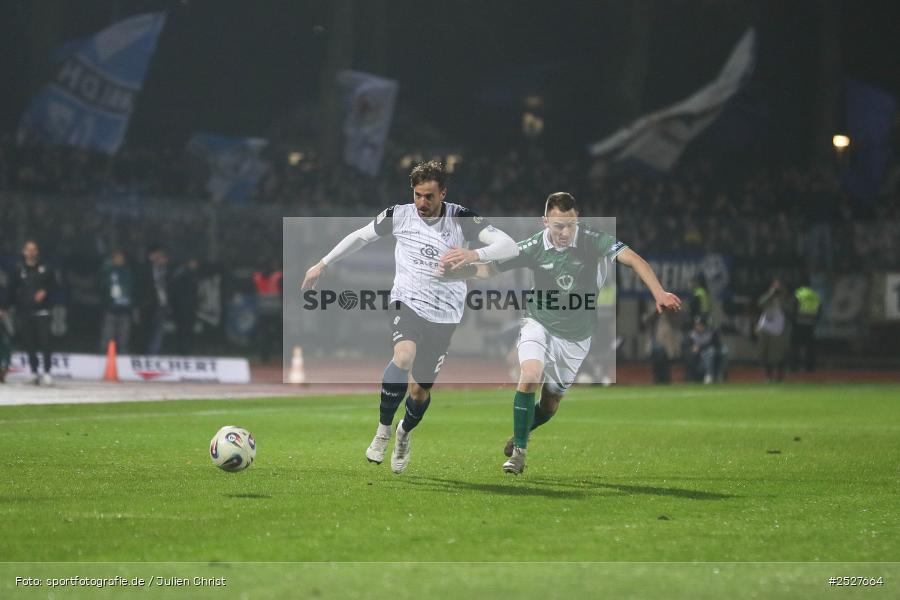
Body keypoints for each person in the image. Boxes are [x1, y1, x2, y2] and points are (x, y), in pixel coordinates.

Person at [300, 160, 519, 474]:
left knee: (419, 392)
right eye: (417, 195)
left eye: (429, 196)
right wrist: (323, 263)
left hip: (445, 314)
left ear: (443, 193)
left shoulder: (462, 218)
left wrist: (473, 254)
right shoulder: (399, 215)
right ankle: (382, 431)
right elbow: (361, 236)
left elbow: (508, 245)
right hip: (407, 301)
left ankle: (403, 433)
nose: (422, 203)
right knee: (403, 356)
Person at [446, 192, 681, 474]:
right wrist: (459, 271)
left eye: (570, 225)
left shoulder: (593, 240)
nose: (565, 232)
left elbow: (634, 260)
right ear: (545, 222)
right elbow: (488, 270)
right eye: (558, 226)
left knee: (550, 404)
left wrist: (659, 292)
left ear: (577, 219)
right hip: (539, 322)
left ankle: (523, 430)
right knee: (530, 375)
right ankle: (519, 453)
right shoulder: (533, 246)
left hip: (577, 336)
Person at [7, 240, 56, 385]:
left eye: (33, 249)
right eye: (28, 249)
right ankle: (34, 373)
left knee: (45, 342)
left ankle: (47, 373)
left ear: (37, 251)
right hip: (24, 311)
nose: (31, 252)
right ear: (24, 251)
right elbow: (11, 289)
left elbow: (54, 285)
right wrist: (4, 307)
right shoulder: (18, 268)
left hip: (42, 311)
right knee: (29, 343)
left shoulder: (46, 268)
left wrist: (45, 291)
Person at [99, 249, 134, 354]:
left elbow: (132, 288)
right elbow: (102, 286)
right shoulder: (107, 271)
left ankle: (122, 354)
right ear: (113, 259)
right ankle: (105, 354)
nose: (119, 259)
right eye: (117, 257)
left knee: (124, 335)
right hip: (111, 308)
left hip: (125, 308)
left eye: (121, 257)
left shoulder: (128, 272)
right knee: (108, 333)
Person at [138, 245, 170, 355]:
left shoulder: (166, 270)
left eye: (162, 255)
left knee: (159, 329)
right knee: (147, 328)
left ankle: (155, 351)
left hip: (162, 304)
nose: (160, 257)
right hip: (149, 304)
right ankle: (145, 351)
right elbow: (142, 286)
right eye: (158, 255)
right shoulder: (146, 269)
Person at [756, 278, 789, 382]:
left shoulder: (785, 298)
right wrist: (770, 294)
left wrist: (781, 296)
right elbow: (760, 303)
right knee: (763, 353)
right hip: (765, 328)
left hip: (778, 329)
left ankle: (779, 376)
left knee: (777, 354)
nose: (776, 288)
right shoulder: (767, 296)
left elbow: (789, 308)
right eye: (774, 286)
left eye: (778, 286)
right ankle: (768, 376)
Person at [171, 257, 200, 355]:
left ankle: (186, 348)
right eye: (194, 262)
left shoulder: (193, 274)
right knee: (183, 328)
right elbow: (178, 291)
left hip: (189, 307)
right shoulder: (183, 274)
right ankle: (183, 349)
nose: (195, 264)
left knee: (187, 329)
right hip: (183, 307)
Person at [791, 279, 820, 372]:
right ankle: (810, 367)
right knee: (810, 347)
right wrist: (815, 320)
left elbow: (794, 306)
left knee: (795, 346)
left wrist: (793, 319)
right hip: (810, 324)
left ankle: (794, 366)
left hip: (799, 323)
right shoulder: (815, 294)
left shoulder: (799, 293)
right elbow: (819, 309)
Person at [688, 316, 727, 384]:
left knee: (724, 351)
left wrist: (700, 347)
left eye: (700, 325)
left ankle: (719, 374)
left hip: (713, 356)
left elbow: (716, 344)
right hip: (699, 359)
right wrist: (694, 349)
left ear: (704, 325)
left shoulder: (711, 333)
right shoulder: (692, 334)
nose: (698, 327)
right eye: (696, 325)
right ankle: (709, 375)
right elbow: (689, 348)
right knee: (708, 352)